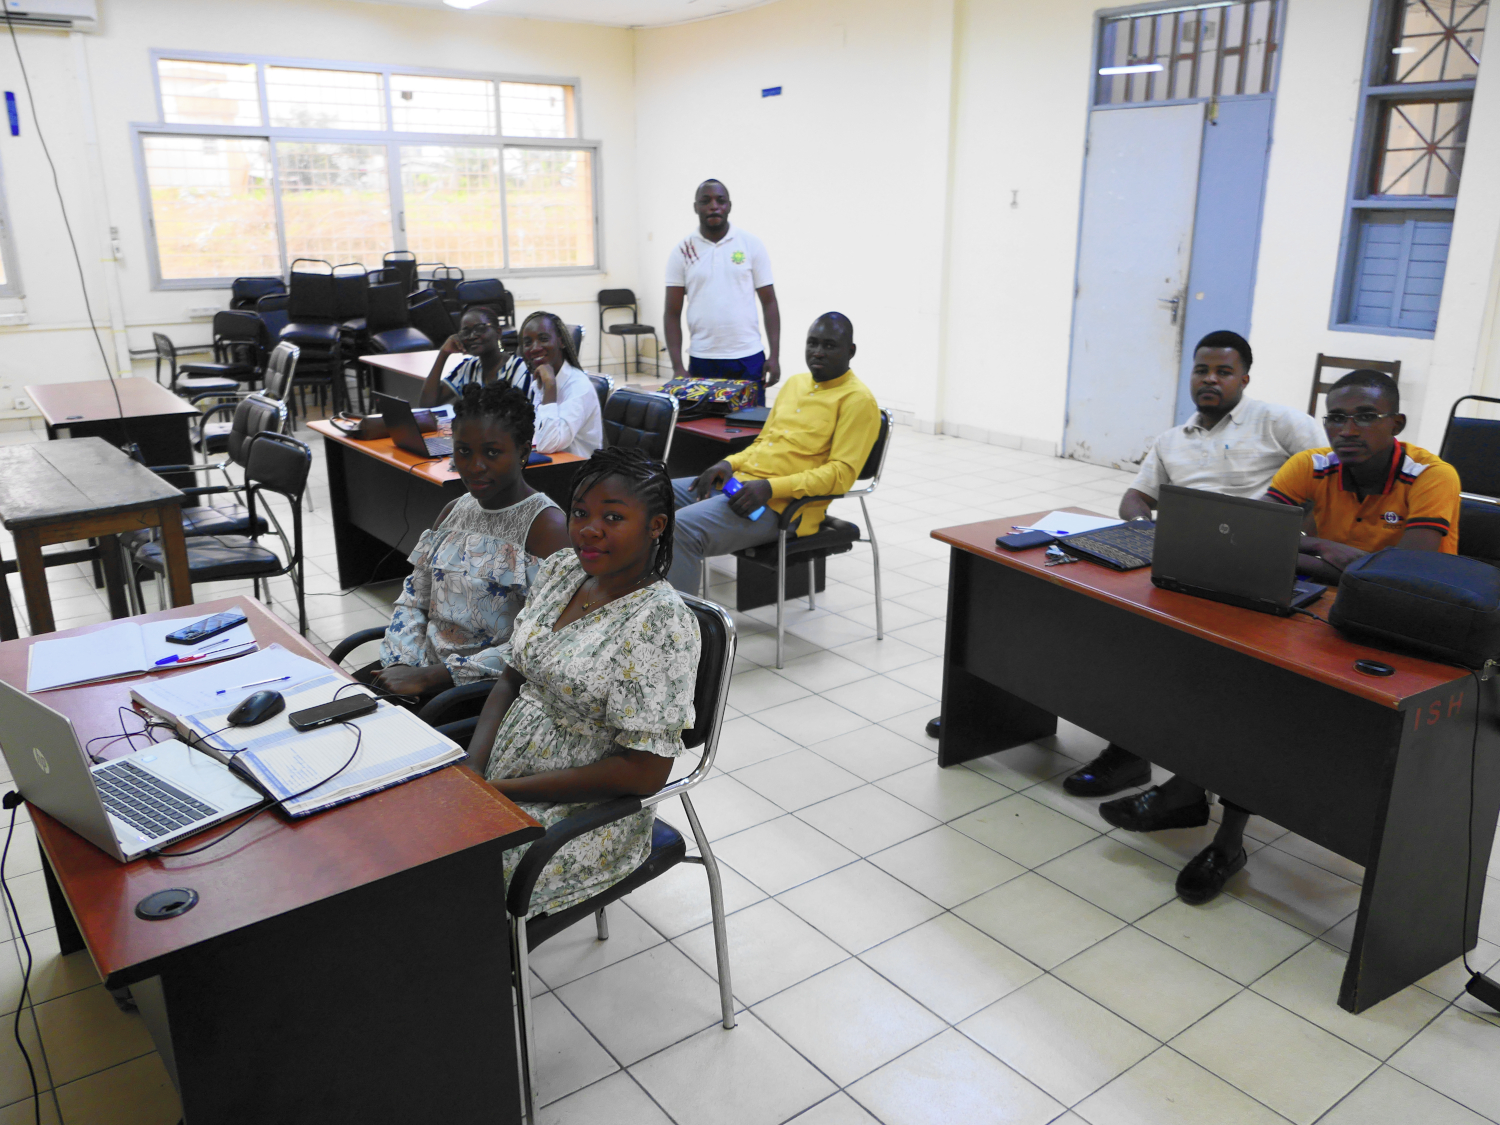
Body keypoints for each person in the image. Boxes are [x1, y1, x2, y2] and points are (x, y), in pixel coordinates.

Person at [1102, 368, 1460, 905]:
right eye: (1336, 418)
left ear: (1397, 423)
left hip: (1403, 632)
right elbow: (1252, 541)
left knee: (1267, 702)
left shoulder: (1433, 476)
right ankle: (1186, 789)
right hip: (1321, 612)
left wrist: (1309, 550)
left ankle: (1227, 842)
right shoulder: (1310, 465)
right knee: (1223, 668)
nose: (1348, 430)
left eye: (1366, 417)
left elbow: (1404, 577)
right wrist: (1329, 553)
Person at [1060, 330, 1326, 797]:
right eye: (1202, 370)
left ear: (1244, 378)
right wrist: (1144, 527)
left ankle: (1180, 766)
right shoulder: (1171, 440)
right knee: (1121, 628)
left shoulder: (1280, 423)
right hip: (1186, 563)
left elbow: (1327, 480)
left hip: (1261, 569)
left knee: (1206, 660)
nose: (1211, 380)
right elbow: (1135, 497)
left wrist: (1303, 537)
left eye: (1224, 372)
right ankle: (1129, 753)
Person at [469, 448, 702, 916]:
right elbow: (511, 679)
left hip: (585, 816)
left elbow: (644, 772)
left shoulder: (660, 624)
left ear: (655, 526)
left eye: (612, 517)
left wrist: (503, 795)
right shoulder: (561, 572)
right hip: (499, 782)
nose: (588, 529)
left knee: (456, 877)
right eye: (580, 512)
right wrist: (472, 775)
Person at [362, 381, 570, 703]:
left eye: (492, 452)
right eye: (463, 451)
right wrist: (402, 662)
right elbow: (414, 600)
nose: (475, 466)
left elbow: (541, 641)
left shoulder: (546, 528)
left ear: (524, 451)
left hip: (477, 692)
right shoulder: (453, 510)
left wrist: (432, 678)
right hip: (420, 670)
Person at [664, 312, 880, 594]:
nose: (818, 352)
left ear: (850, 351)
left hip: (780, 508)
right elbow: (763, 443)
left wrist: (770, 488)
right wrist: (728, 463)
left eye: (829, 345)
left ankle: (677, 632)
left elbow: (840, 476)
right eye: (812, 343)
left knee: (681, 530)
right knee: (650, 498)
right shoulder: (795, 384)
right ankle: (632, 606)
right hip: (738, 485)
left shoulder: (857, 401)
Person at [664, 178, 781, 405]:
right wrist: (678, 366)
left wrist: (774, 355)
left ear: (729, 206)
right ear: (695, 207)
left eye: (721, 200)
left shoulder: (750, 244)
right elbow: (671, 313)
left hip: (748, 358)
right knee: (706, 431)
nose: (713, 206)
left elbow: (770, 302)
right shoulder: (682, 251)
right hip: (702, 359)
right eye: (705, 201)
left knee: (748, 430)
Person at [501, 310, 604, 457]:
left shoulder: (578, 387)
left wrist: (550, 387)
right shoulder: (538, 379)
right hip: (550, 467)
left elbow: (548, 444)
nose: (535, 347)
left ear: (561, 341)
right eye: (528, 343)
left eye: (543, 339)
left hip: (576, 473)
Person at [416, 306, 507, 407]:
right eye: (466, 332)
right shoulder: (468, 369)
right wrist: (443, 353)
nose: (472, 336)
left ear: (498, 333)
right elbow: (426, 404)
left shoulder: (518, 368)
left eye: (480, 329)